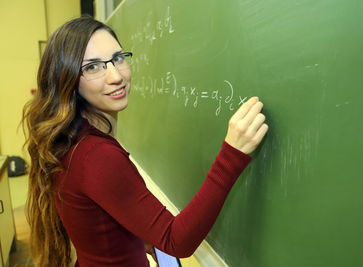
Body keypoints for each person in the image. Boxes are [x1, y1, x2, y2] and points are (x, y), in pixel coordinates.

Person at [22, 16, 268, 267]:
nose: (115, 76)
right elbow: (176, 241)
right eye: (93, 67)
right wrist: (232, 155)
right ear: (68, 79)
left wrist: (134, 235)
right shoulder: (95, 155)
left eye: (117, 58)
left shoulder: (73, 140)